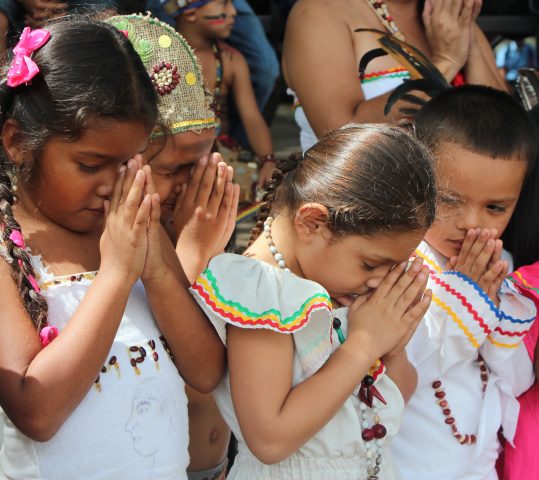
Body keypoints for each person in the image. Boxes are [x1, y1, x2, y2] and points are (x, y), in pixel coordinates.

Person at [0, 17, 225, 479]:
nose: (110, 185)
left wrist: (155, 269)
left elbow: (205, 372)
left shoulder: (134, 225)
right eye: (90, 165)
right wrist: (119, 273)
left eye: (127, 164)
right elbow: (36, 412)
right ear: (18, 142)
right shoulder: (6, 246)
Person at [190, 123, 438, 479]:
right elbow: (269, 439)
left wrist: (393, 348)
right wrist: (364, 345)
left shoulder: (335, 282)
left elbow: (392, 398)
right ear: (312, 222)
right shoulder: (264, 292)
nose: (380, 280)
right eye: (370, 264)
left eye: (394, 266)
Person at [105, 13, 237, 480]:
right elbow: (180, 368)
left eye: (202, 161)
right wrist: (193, 254)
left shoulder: (191, 220)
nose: (193, 182)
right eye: (172, 169)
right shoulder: (112, 240)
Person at [390, 85, 538, 480]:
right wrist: (465, 298)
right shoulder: (395, 265)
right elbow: (402, 374)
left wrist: (494, 313)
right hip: (410, 467)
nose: (471, 222)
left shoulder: (503, 267)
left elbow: (517, 382)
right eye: (450, 200)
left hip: (482, 465)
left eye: (495, 207)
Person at [282, 0, 507, 152]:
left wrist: (467, 40)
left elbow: (506, 134)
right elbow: (340, 138)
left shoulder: (449, 15)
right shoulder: (317, 12)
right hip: (364, 204)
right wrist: (446, 62)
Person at [174, 0, 277, 192]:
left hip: (219, 162)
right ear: (190, 13)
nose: (233, 11)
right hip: (172, 162)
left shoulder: (231, 60)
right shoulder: (162, 59)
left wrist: (268, 160)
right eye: (223, 3)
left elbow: (252, 118)